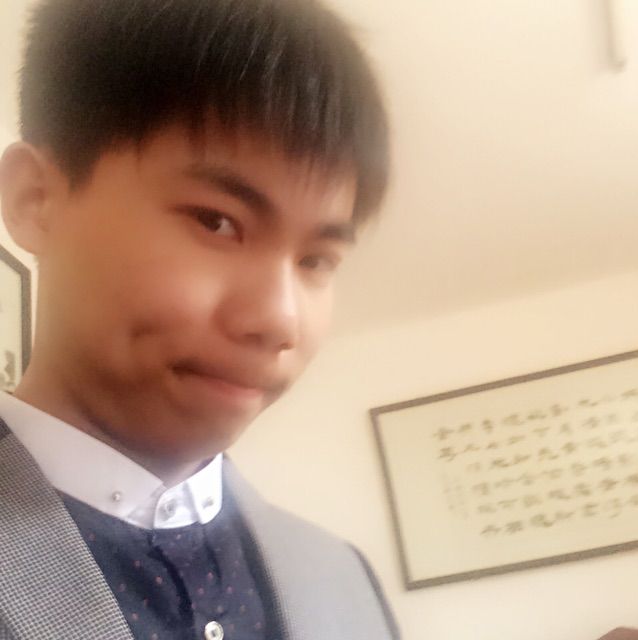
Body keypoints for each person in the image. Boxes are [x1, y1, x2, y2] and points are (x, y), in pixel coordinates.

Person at [0, 0, 397, 638]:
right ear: (36, 199)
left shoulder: (343, 580)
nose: (278, 321)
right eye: (217, 222)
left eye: (316, 260)